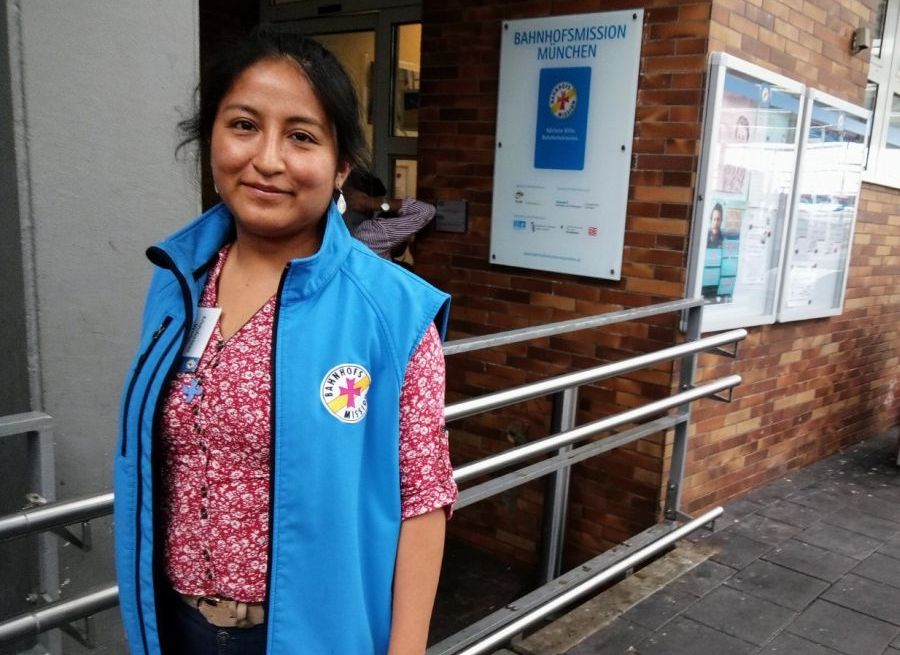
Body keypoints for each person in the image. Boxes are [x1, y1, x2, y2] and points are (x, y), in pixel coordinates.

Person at [114, 30, 456, 655]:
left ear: (341, 166)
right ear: (212, 137)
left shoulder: (392, 313)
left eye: (301, 136)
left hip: (311, 635)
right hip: (178, 627)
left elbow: (424, 500)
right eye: (244, 124)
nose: (267, 159)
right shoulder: (178, 285)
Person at [341, 169, 437, 262]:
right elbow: (426, 211)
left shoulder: (345, 227)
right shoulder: (371, 234)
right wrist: (369, 202)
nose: (406, 240)